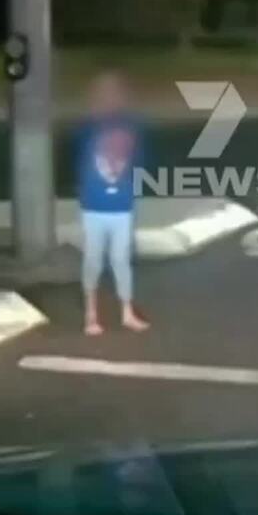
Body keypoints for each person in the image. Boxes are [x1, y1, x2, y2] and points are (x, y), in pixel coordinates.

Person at [76, 71, 150, 336]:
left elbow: (138, 160)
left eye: (113, 92)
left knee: (121, 260)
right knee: (93, 260)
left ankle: (126, 312)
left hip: (121, 206)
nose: (109, 97)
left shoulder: (131, 124)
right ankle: (91, 314)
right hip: (94, 207)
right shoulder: (88, 127)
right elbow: (80, 160)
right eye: (103, 92)